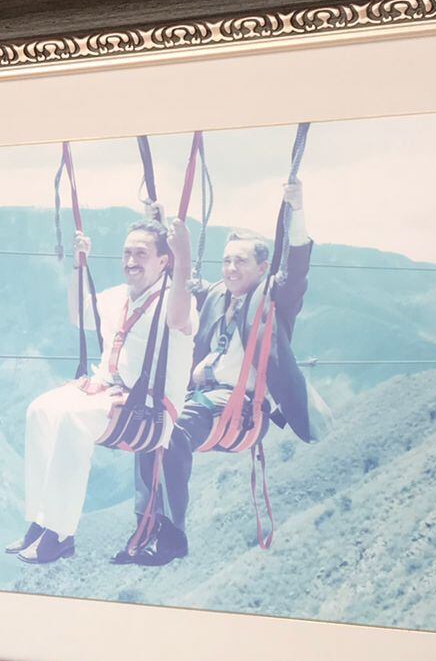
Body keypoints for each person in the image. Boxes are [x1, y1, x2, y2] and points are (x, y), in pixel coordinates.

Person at [119, 180, 327, 565]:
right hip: (202, 398)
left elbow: (296, 267)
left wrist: (295, 211)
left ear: (263, 268)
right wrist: (158, 225)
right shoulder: (215, 295)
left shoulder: (273, 300)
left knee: (172, 428)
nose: (231, 269)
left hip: (240, 407)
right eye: (227, 260)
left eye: (241, 262)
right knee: (147, 425)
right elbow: (176, 277)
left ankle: (171, 535)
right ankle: (145, 526)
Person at [7, 217, 197, 563]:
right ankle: (40, 520)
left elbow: (179, 319)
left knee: (73, 420)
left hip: (151, 412)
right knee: (40, 410)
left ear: (163, 261)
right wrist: (79, 266)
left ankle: (60, 534)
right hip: (110, 392)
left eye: (141, 254)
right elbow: (78, 315)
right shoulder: (116, 297)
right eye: (127, 253)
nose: (130, 261)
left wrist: (183, 257)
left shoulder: (175, 300)